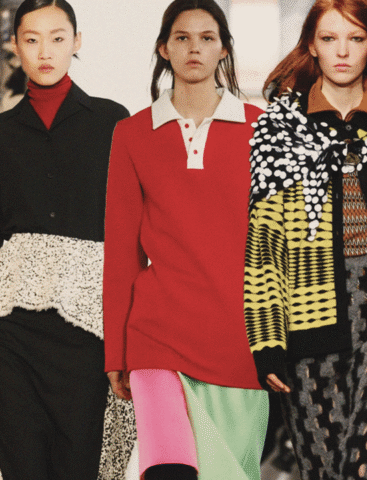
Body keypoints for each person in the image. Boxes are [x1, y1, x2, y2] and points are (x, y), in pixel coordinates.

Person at [0, 1, 134, 479]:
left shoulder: (113, 121)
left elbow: (128, 229)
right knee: (22, 467)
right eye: (31, 40)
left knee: (80, 464)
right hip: (10, 328)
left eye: (57, 38)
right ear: (15, 46)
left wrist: (128, 336)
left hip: (86, 328)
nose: (45, 51)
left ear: (77, 42)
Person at [244, 1, 367, 478]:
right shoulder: (278, 129)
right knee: (322, 468)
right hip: (309, 314)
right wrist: (267, 340)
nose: (342, 51)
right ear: (312, 46)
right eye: (330, 38)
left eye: (355, 39)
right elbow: (265, 245)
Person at [103, 1, 268, 479]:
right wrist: (117, 351)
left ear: (223, 49)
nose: (194, 48)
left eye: (207, 38)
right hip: (157, 337)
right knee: (169, 469)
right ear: (164, 48)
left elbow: (276, 246)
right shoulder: (132, 134)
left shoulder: (261, 128)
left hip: (239, 340)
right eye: (182, 37)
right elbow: (121, 252)